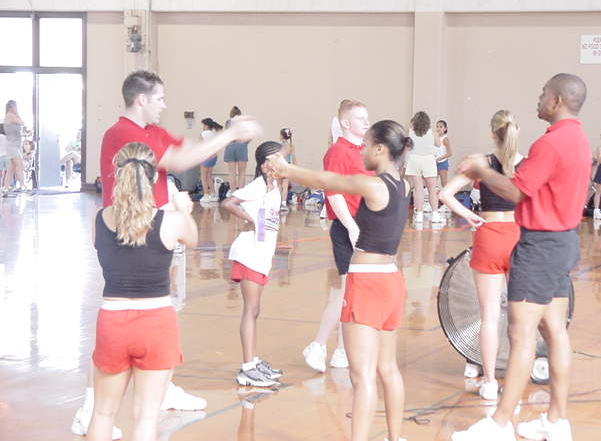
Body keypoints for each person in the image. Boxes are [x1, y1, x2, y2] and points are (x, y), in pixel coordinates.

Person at [72, 70, 261, 438]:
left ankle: (156, 384)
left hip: (154, 229)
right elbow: (176, 162)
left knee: (155, 306)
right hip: (136, 229)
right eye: (159, 98)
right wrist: (229, 134)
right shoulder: (122, 133)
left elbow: (184, 154)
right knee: (149, 315)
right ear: (141, 99)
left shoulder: (152, 132)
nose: (164, 104)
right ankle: (90, 404)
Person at [452, 73, 591, 441]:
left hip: (540, 246)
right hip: (563, 242)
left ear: (557, 100)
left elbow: (515, 191)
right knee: (554, 330)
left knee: (521, 333)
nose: (539, 98)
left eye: (544, 94)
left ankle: (499, 424)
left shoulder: (551, 143)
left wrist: (481, 170)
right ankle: (556, 421)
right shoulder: (579, 139)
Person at [268, 119, 412, 441]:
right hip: (392, 281)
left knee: (362, 376)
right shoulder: (403, 185)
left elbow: (327, 179)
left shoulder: (374, 186)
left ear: (380, 149)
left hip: (368, 283)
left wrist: (287, 169)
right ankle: (395, 437)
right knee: (388, 369)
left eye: (366, 146)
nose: (361, 151)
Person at [88, 142, 198, 441]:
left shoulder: (99, 219)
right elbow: (192, 239)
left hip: (112, 321)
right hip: (156, 322)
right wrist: (183, 210)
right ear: (153, 177)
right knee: (147, 417)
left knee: (103, 414)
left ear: (117, 173)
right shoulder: (170, 221)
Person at [439, 109, 522, 400]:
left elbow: (445, 194)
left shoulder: (483, 163)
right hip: (518, 237)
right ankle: (514, 380)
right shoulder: (525, 163)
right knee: (520, 318)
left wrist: (467, 214)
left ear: (492, 134)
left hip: (489, 235)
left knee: (489, 317)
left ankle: (488, 382)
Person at [302, 99, 373, 373]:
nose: (366, 122)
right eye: (360, 118)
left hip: (364, 226)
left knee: (354, 293)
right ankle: (318, 345)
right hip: (347, 228)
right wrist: (351, 227)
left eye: (366, 117)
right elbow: (333, 192)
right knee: (345, 291)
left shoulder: (365, 151)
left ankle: (342, 350)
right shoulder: (337, 151)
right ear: (345, 122)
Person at [222, 141, 285, 388]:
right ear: (266, 163)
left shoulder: (273, 186)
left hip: (262, 253)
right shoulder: (258, 185)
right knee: (250, 309)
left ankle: (254, 361)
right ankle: (248, 368)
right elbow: (228, 203)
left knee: (255, 310)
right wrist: (250, 219)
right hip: (250, 252)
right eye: (279, 158)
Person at [405, 111, 442, 225]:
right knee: (432, 189)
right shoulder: (432, 132)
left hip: (414, 159)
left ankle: (419, 215)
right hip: (428, 160)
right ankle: (435, 214)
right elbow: (438, 144)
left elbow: (407, 146)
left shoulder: (410, 132)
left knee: (418, 189)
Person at [224, 106, 250, 193]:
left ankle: (233, 192)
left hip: (230, 146)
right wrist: (244, 142)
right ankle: (240, 194)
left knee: (232, 173)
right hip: (241, 146)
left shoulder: (228, 123)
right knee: (242, 172)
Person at [2, 100, 26, 193]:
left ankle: (5, 188)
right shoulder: (10, 115)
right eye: (15, 106)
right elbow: (22, 122)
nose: (16, 108)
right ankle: (23, 186)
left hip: (14, 144)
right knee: (19, 164)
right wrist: (17, 115)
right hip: (11, 144)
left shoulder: (12, 116)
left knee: (11, 168)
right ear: (12, 107)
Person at [199, 118, 224, 203]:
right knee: (209, 176)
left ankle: (206, 195)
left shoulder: (203, 134)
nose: (203, 127)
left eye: (203, 125)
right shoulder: (213, 134)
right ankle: (213, 195)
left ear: (206, 126)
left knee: (203, 177)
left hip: (205, 156)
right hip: (213, 156)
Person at [278, 128, 296, 211]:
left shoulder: (279, 145)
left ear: (282, 136)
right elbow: (294, 158)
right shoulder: (291, 146)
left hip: (279, 166)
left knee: (279, 185)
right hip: (286, 166)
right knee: (285, 186)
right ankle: (283, 203)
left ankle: (278, 202)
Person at [435, 119, 453, 188]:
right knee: (433, 182)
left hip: (442, 163)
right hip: (435, 163)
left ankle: (447, 194)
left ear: (445, 128)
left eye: (441, 126)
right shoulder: (435, 138)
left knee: (443, 183)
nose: (438, 128)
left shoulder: (445, 139)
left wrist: (439, 159)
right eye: (437, 126)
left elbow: (450, 153)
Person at [0, 123, 7, 189]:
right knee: (7, 173)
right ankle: (5, 186)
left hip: (0, 156)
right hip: (7, 156)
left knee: (0, 173)